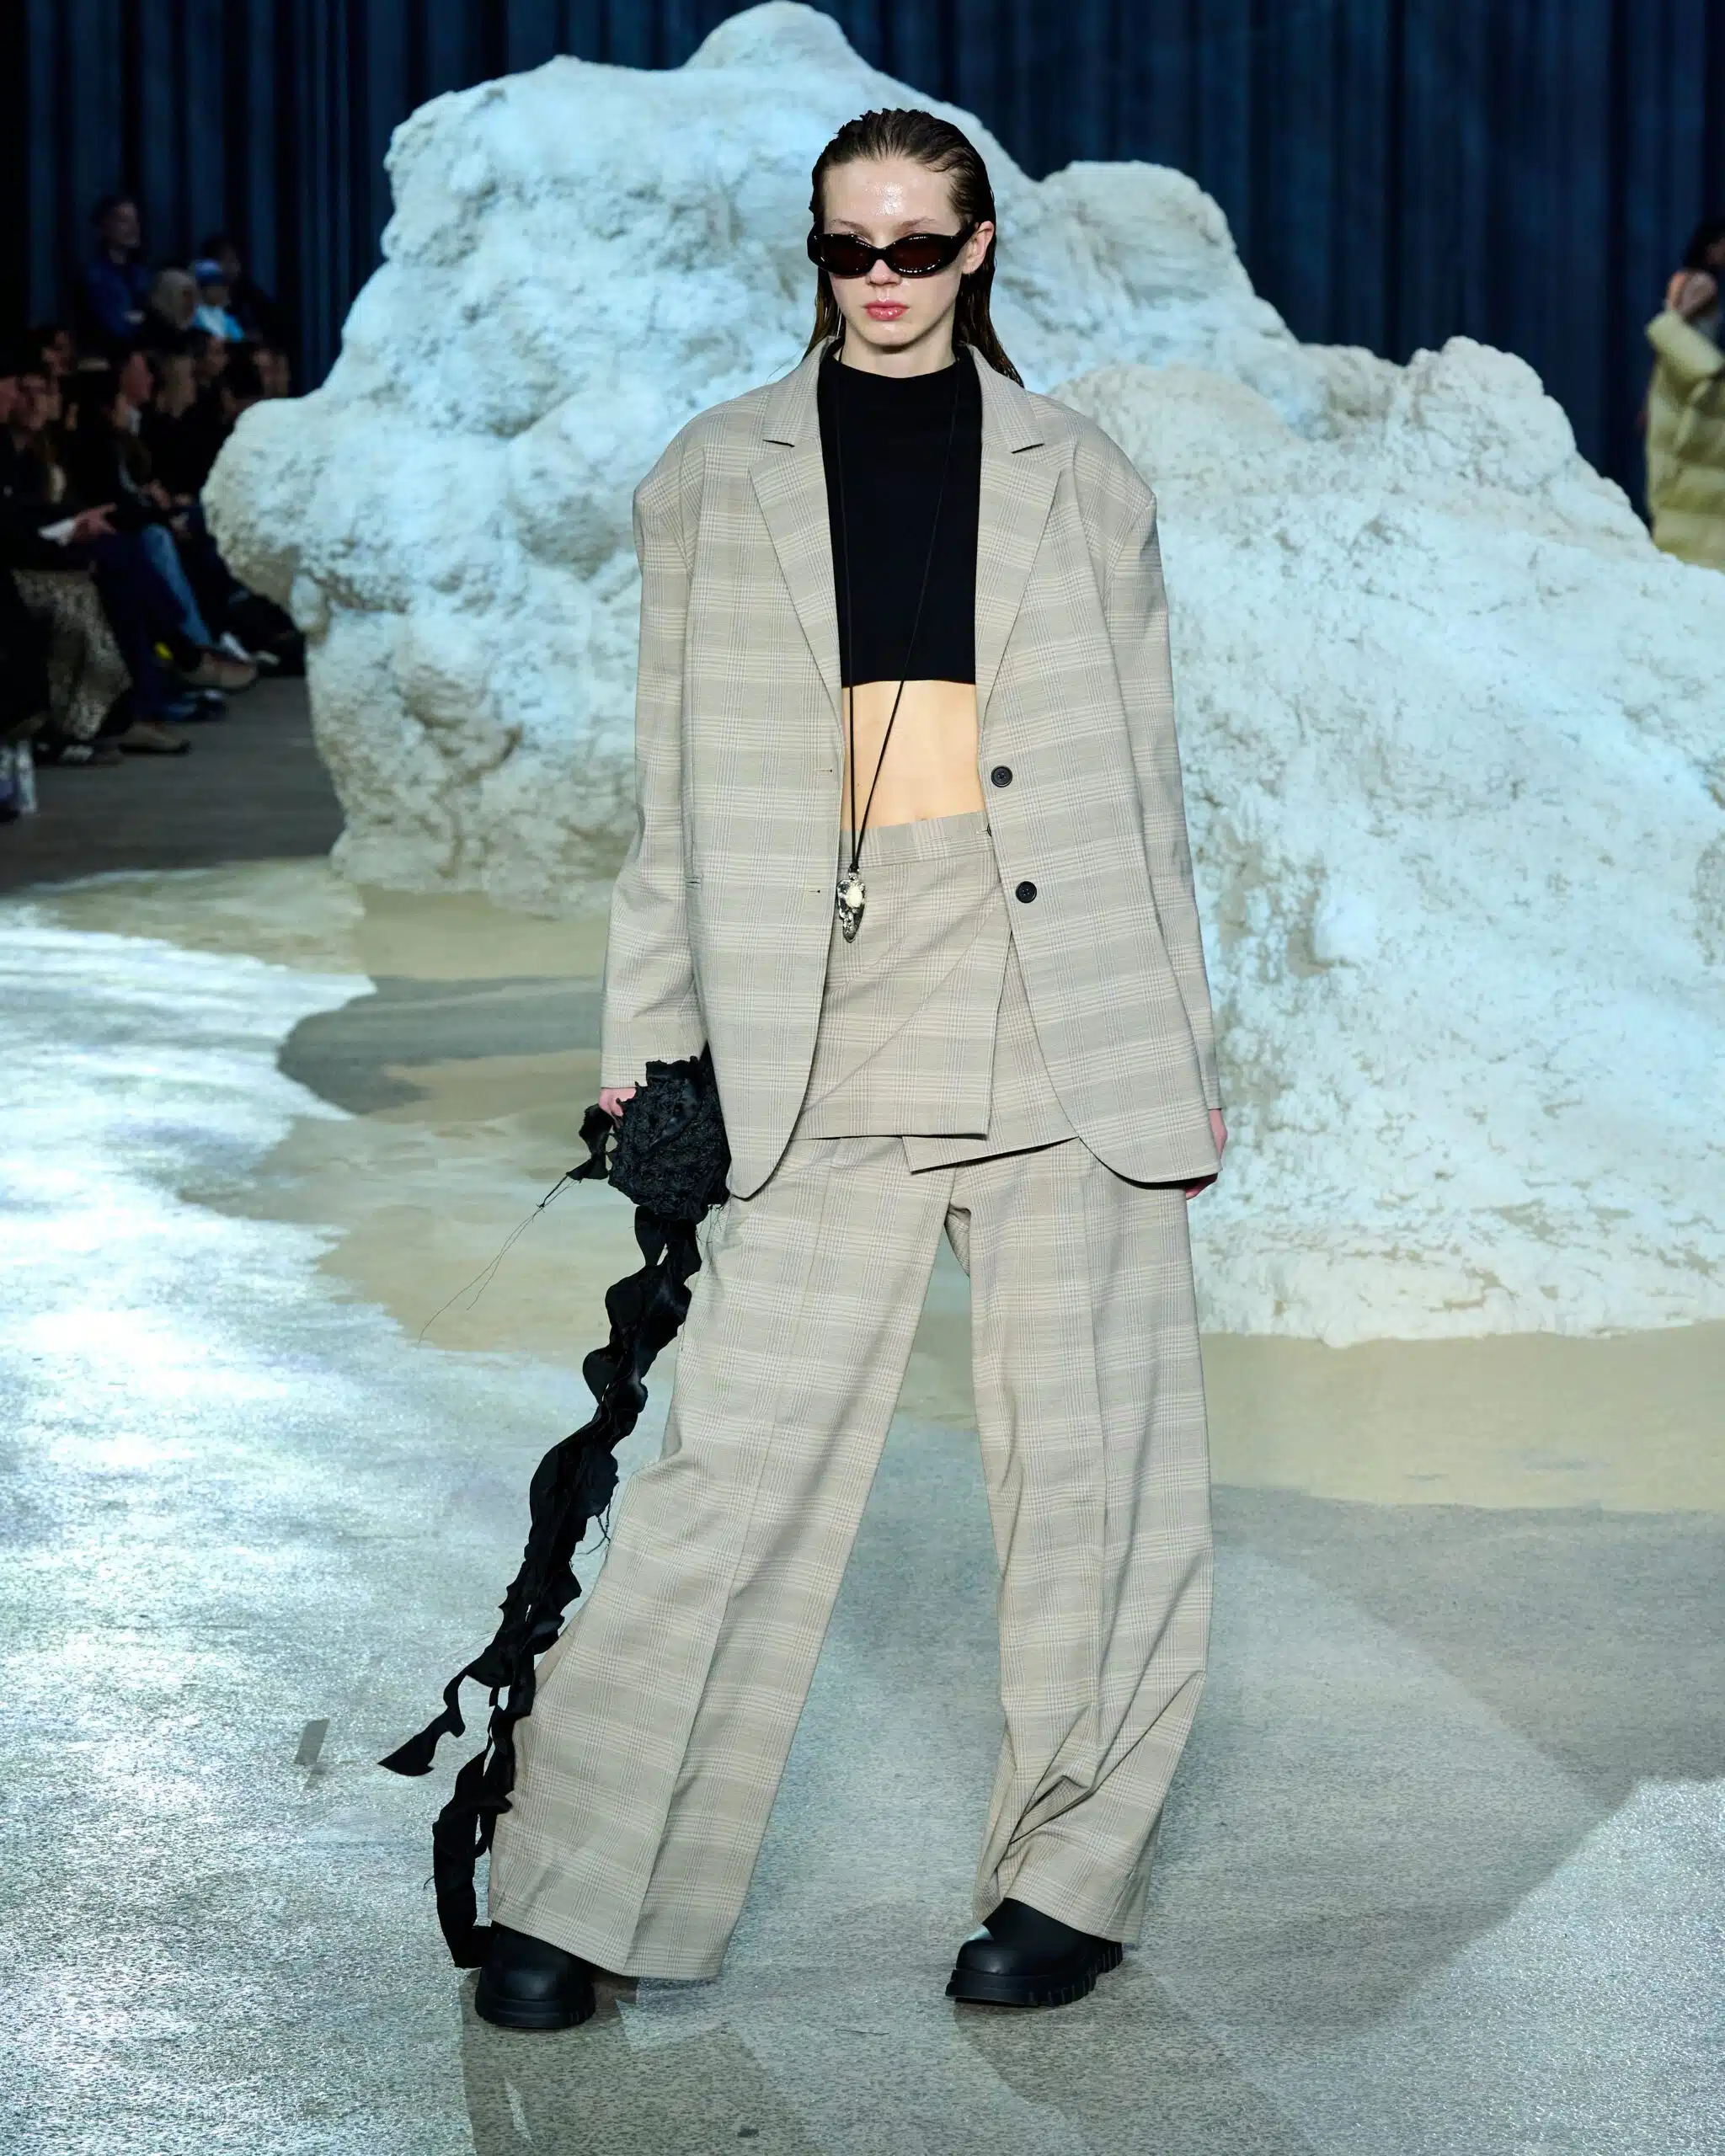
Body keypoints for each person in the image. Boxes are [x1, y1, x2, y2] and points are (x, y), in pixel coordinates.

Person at [471, 107, 1228, 2033]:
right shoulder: (706, 477)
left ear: (977, 251)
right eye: (846, 248)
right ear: (813, 254)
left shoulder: (1085, 480)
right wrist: (649, 1063)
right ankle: (579, 1881)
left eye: (913, 246)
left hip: (1065, 1014)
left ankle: (1064, 1872)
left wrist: (1185, 1056)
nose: (878, 280)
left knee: (1098, 1485)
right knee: (726, 1475)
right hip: (822, 1012)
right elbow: (672, 815)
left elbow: (1147, 800)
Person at [1646, 213, 1725, 569]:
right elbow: (1673, 327)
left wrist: (1649, 397)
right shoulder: (1705, 284)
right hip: (1695, 376)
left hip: (1671, 377)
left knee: (1673, 464)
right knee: (1696, 463)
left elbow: (1666, 341)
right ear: (1713, 246)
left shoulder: (1679, 278)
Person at [76, 196, 152, 356]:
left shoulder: (142, 275)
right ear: (103, 227)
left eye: (136, 221)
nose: (133, 228)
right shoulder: (94, 276)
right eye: (123, 221)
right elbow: (115, 327)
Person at [197, 232, 289, 350]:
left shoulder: (251, 294)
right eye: (223, 260)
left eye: (233, 260)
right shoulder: (199, 300)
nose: (230, 267)